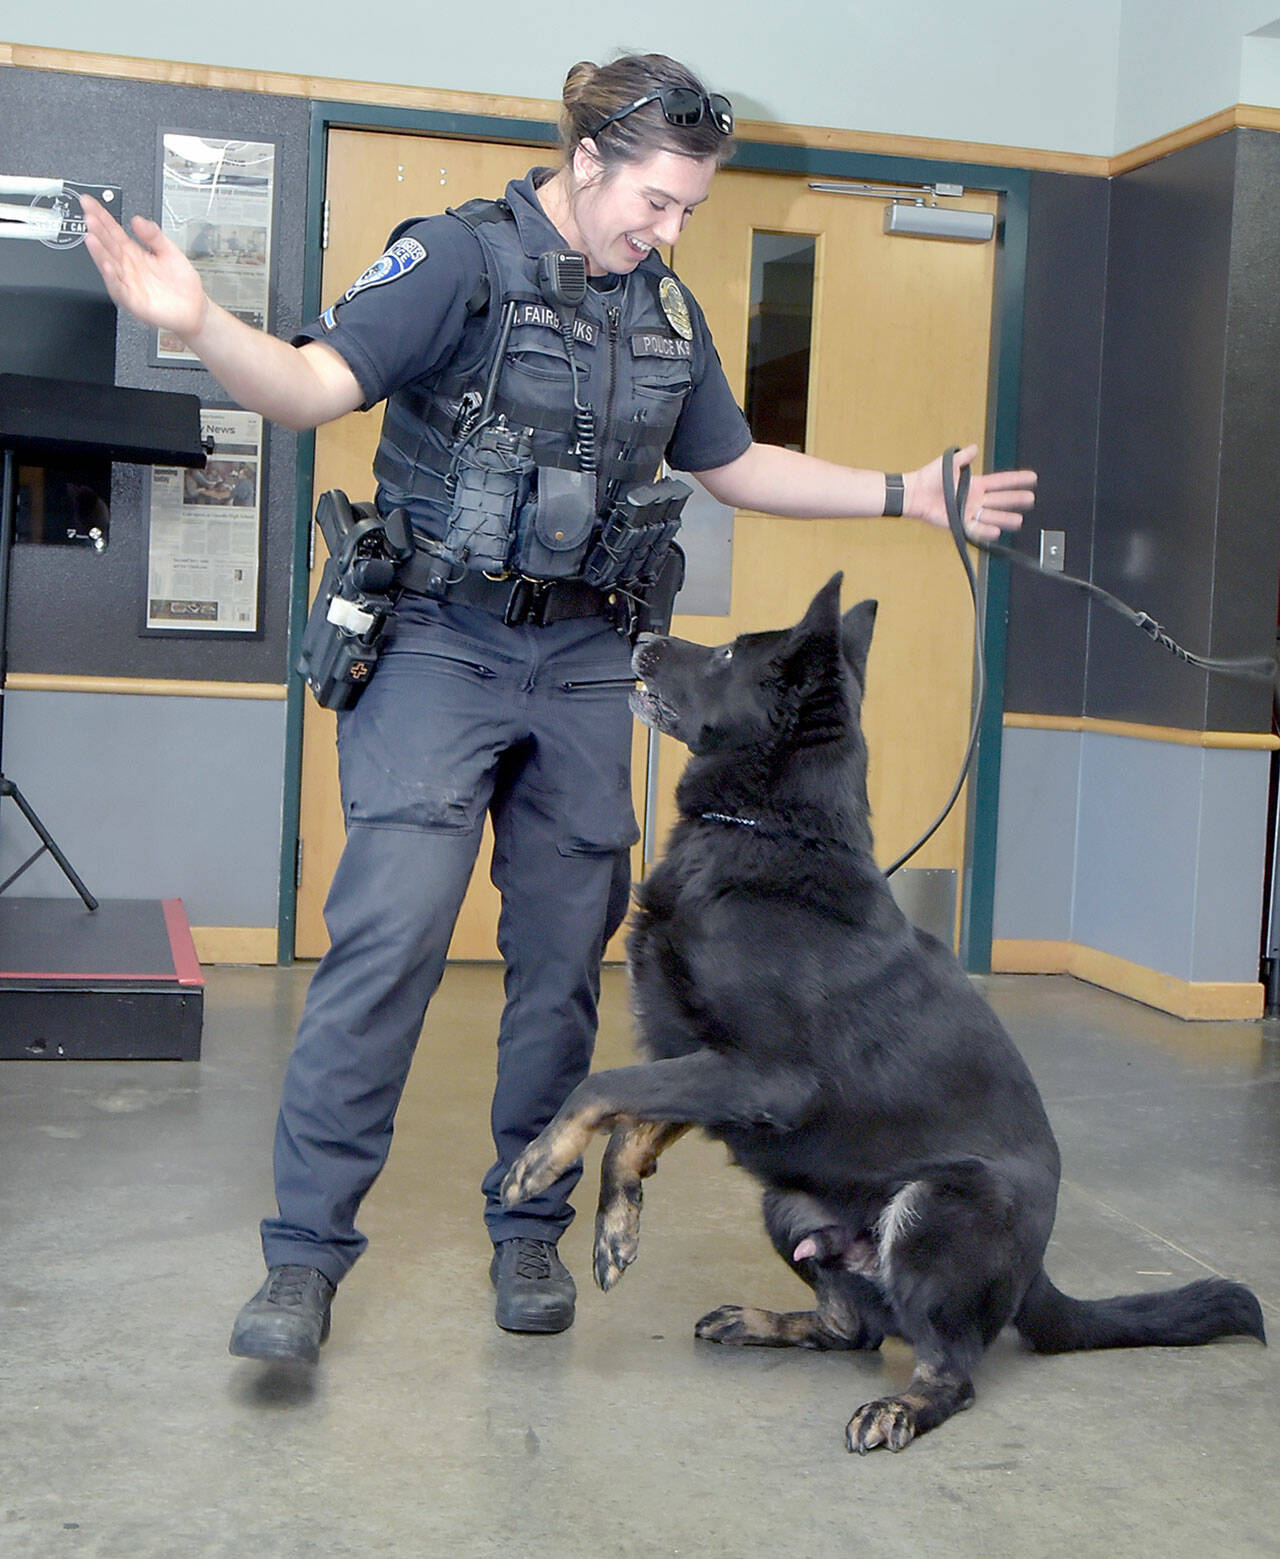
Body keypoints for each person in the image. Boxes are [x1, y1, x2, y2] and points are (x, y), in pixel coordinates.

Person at [82, 52, 1036, 1362]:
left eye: (690, 209)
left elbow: (737, 464)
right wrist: (197, 321)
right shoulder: (456, 263)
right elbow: (309, 388)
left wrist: (906, 495)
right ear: (586, 157)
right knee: (389, 948)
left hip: (589, 657)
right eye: (656, 198)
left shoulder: (666, 311)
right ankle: (304, 1260)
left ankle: (523, 1231)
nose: (670, 228)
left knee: (559, 977)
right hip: (437, 642)